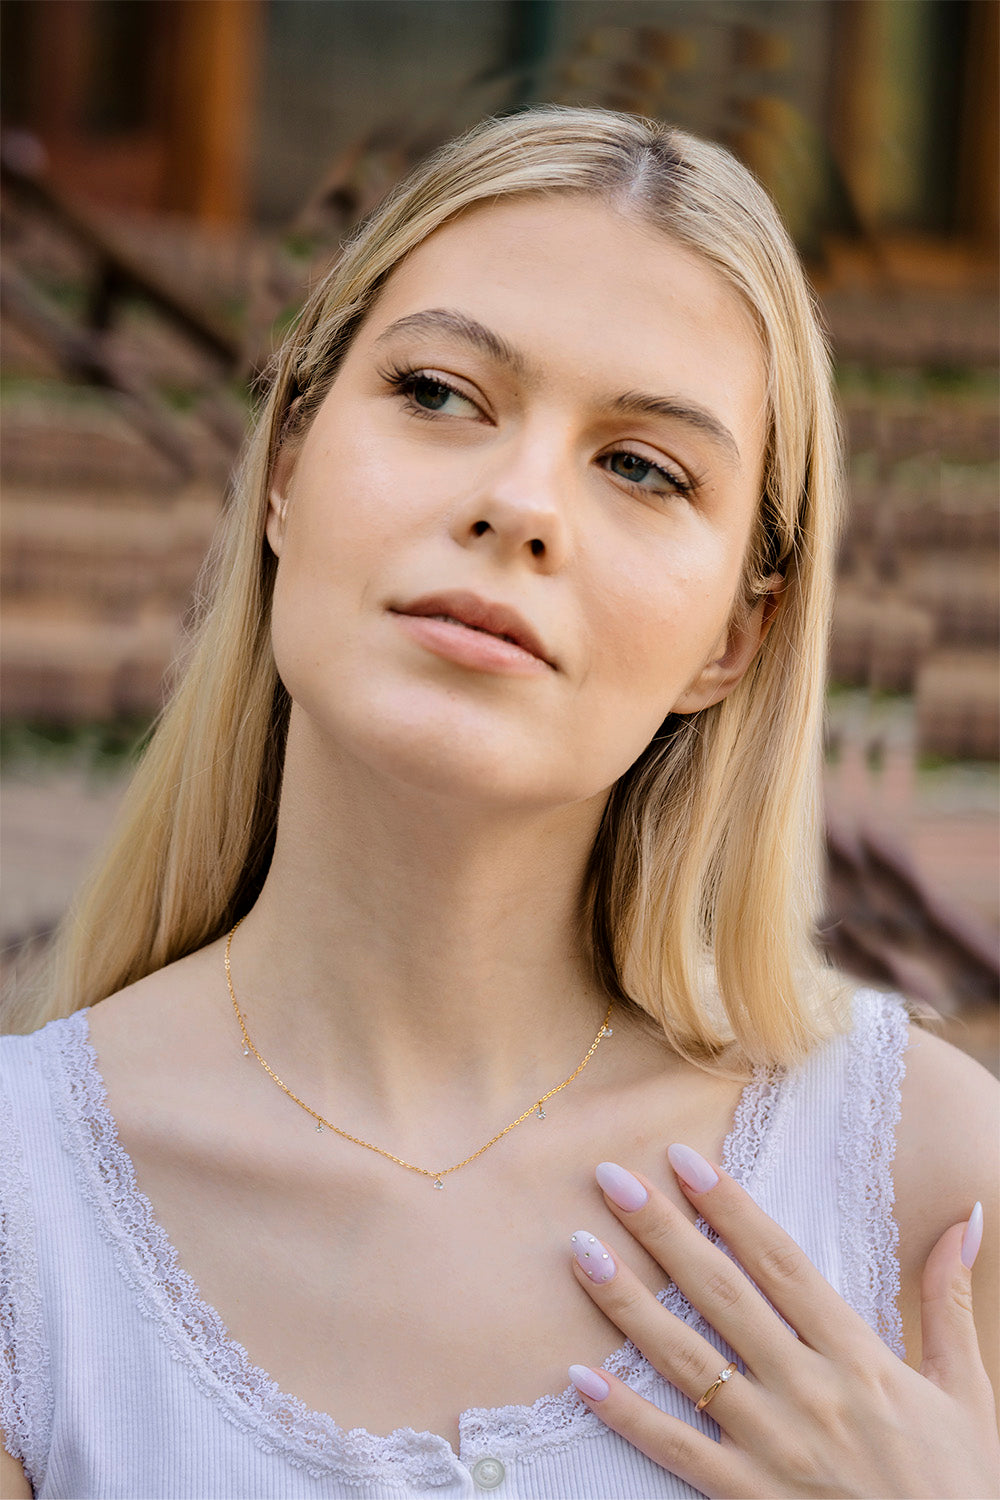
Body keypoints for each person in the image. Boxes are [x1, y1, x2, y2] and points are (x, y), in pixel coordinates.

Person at [1, 106, 997, 1500]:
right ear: (285, 464)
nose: (520, 502)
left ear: (735, 636)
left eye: (643, 467)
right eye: (438, 393)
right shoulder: (24, 1218)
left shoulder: (930, 1190)